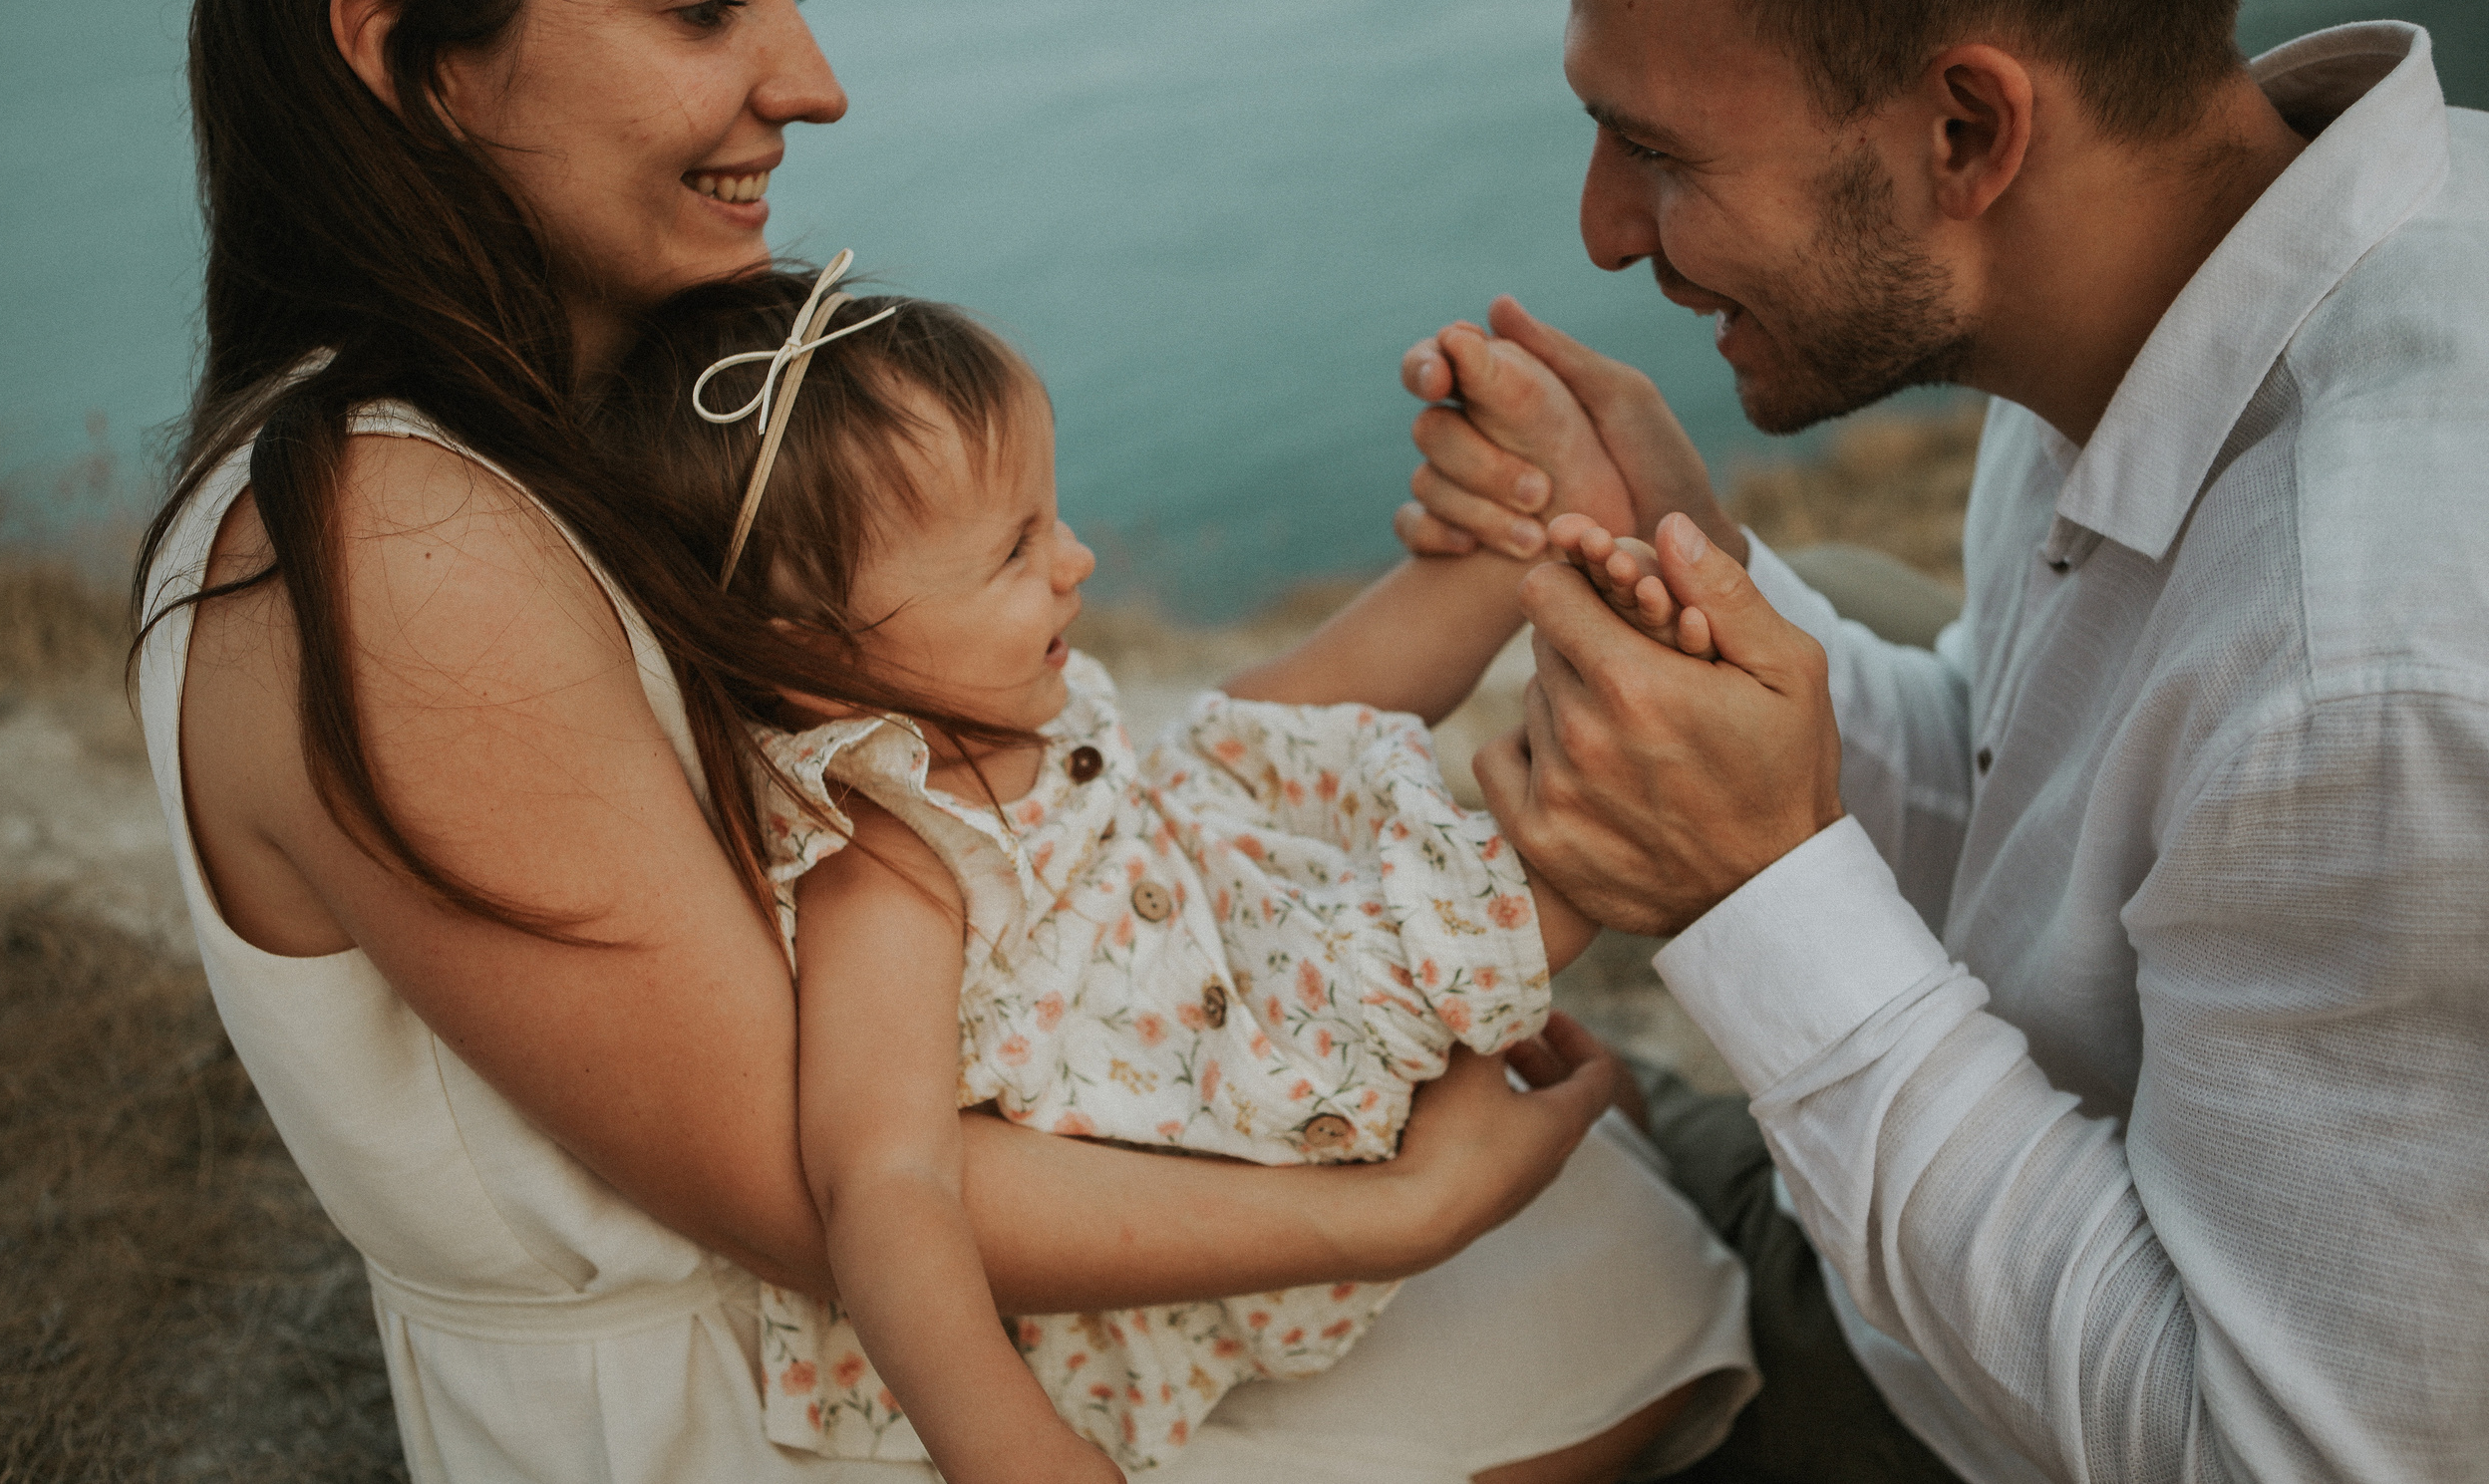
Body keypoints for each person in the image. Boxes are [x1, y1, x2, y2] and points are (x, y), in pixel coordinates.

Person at [129, 0, 1750, 1480]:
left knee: (1626, 1234)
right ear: (405, 54)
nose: (811, 84)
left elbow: (1114, 775)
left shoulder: (543, 442)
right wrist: (1396, 1204)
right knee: (1644, 1284)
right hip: (769, 1415)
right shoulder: (396, 542)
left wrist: (1485, 564)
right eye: (706, 1)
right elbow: (813, 1188)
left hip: (902, 1332)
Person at [1396, 0, 2489, 1479]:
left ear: (1970, 132)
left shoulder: (2366, 670)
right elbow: (2031, 784)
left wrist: (1748, 895)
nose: (1604, 230)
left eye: (1663, 152)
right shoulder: (2159, 305)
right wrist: (1688, 572)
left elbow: (2274, 1455)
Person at [590, 273, 1757, 1480]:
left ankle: (1516, 558)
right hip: (1215, 1114)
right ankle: (1616, 802)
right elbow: (882, 1182)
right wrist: (1007, 1447)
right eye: (1014, 550)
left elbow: (1228, 754)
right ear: (816, 653)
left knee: (1260, 726)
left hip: (1200, 933)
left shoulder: (993, 712)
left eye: (1051, 517)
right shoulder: (887, 869)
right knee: (1408, 924)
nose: (1077, 558)